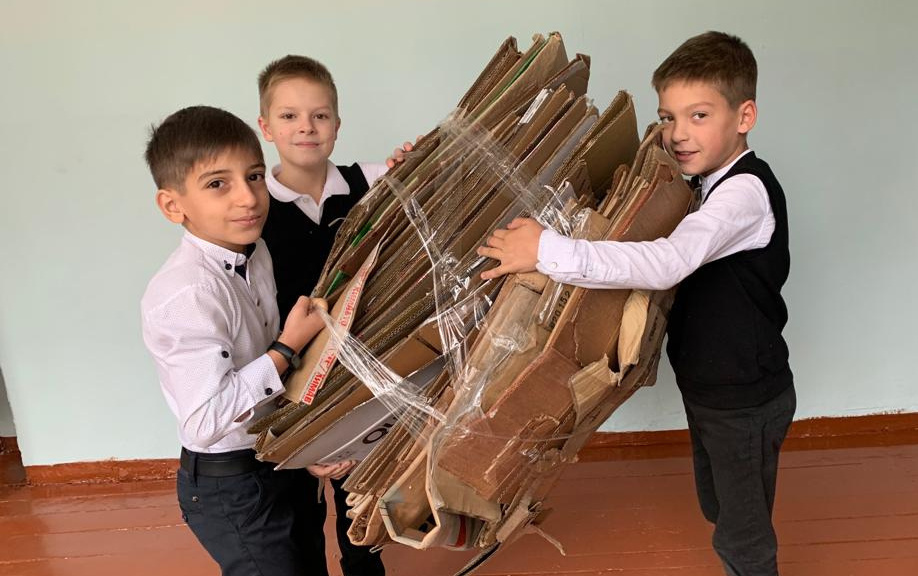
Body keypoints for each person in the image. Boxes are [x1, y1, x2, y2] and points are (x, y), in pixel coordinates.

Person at [477, 31, 796, 576]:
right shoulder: (705, 184)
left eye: (698, 116)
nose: (678, 133)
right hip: (711, 387)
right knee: (719, 504)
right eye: (668, 117)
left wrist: (546, 250)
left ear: (745, 116)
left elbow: (668, 262)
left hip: (745, 394)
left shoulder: (744, 193)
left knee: (741, 531)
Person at [141, 105, 329, 576]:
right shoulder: (187, 293)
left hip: (275, 456)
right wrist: (285, 349)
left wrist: (303, 446)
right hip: (233, 486)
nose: (248, 198)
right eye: (217, 184)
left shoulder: (255, 250)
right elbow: (205, 422)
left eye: (255, 176)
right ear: (173, 206)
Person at [256, 54, 413, 576]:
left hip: (363, 368)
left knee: (362, 501)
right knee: (298, 511)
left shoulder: (370, 180)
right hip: (290, 373)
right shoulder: (254, 205)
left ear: (338, 125)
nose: (306, 127)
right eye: (289, 116)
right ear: (265, 126)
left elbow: (426, 192)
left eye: (319, 116)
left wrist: (415, 165)